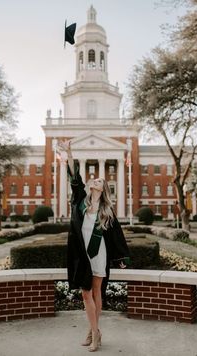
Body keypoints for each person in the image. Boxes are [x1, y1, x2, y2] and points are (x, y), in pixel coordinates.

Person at [58, 140, 131, 352]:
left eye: (99, 181)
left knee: (97, 291)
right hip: (82, 254)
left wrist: (121, 258)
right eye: (94, 179)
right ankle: (96, 331)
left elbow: (117, 236)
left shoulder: (107, 210)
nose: (95, 180)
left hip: (99, 253)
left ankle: (93, 332)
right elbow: (74, 177)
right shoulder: (81, 200)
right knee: (85, 293)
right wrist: (70, 152)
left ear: (102, 188)